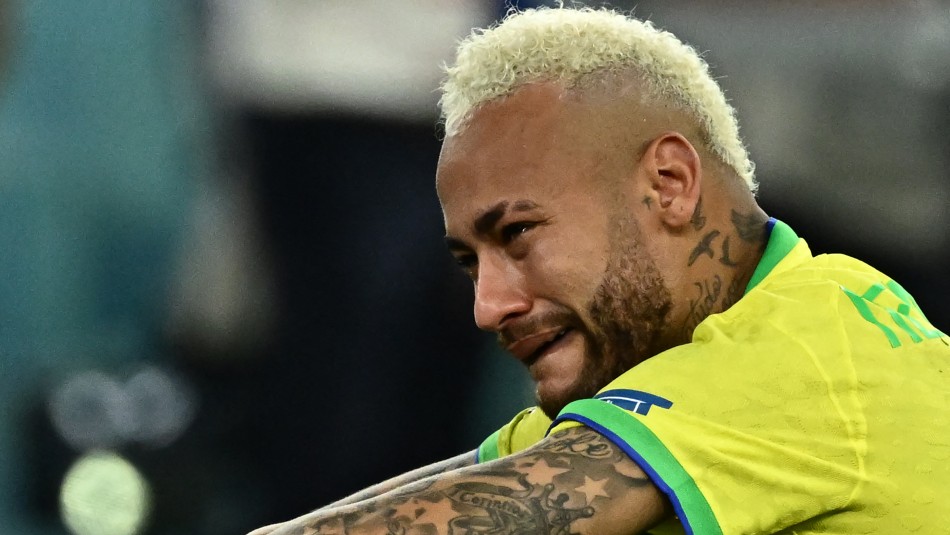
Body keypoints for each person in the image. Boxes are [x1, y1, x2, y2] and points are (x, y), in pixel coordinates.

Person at [249, 7, 950, 534]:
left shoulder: (803, 357)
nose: (488, 306)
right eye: (469, 263)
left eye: (518, 234)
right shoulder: (664, 375)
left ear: (669, 184)